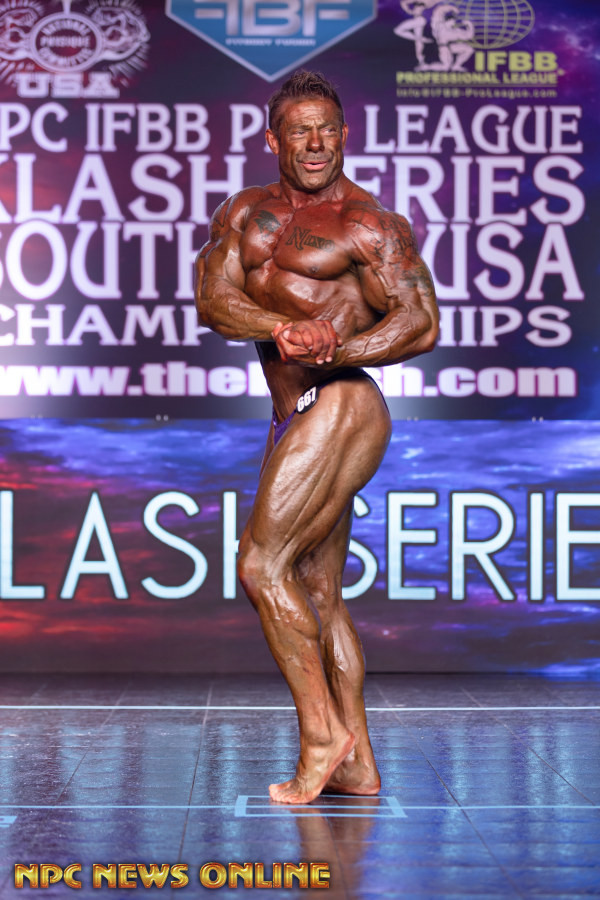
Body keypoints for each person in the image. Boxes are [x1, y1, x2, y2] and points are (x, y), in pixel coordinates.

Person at [195, 71, 438, 805]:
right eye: (300, 130)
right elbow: (213, 298)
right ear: (273, 138)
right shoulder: (244, 213)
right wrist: (281, 328)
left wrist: (340, 350)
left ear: (344, 134)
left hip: (342, 401)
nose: (315, 143)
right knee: (320, 592)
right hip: (292, 412)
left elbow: (420, 321)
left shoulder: (369, 223)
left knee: (260, 565)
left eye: (327, 129)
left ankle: (321, 737)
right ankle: (358, 765)